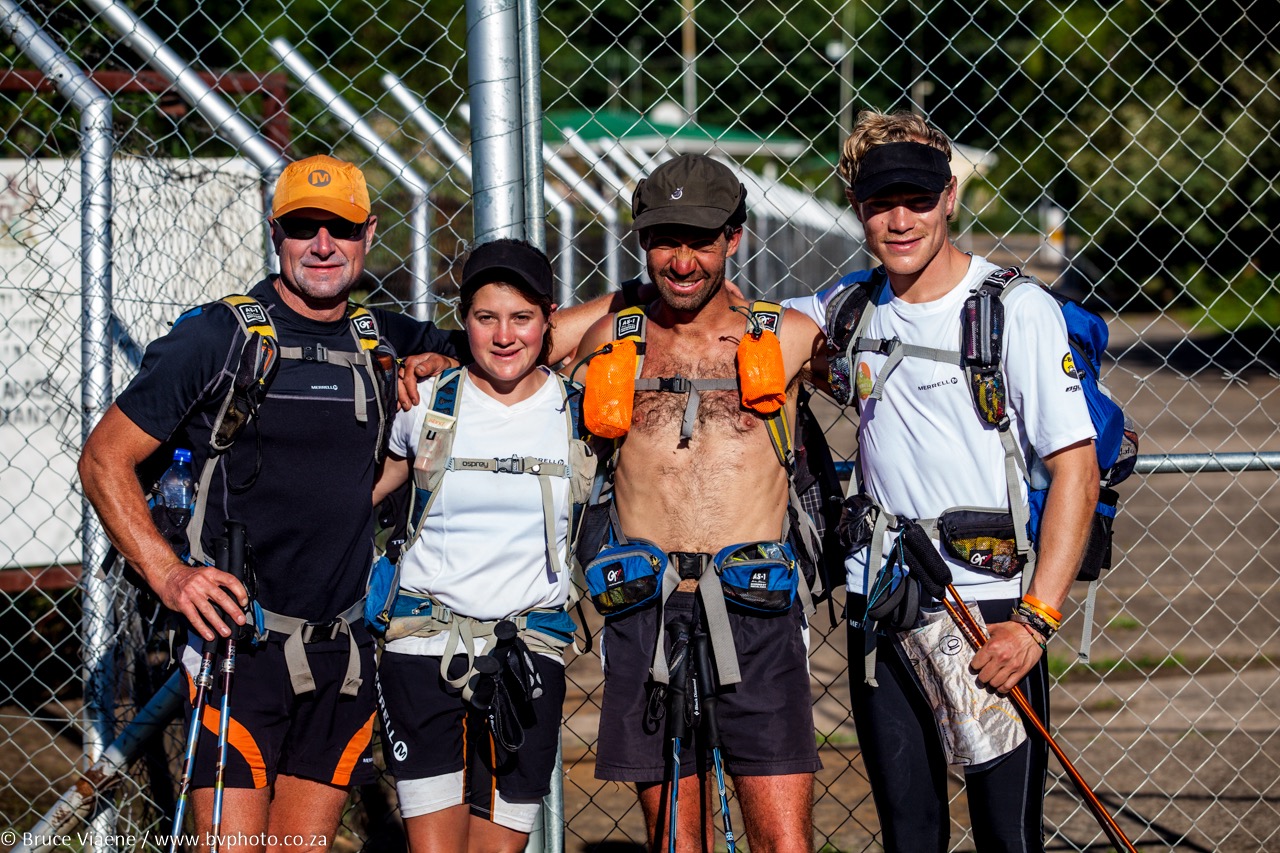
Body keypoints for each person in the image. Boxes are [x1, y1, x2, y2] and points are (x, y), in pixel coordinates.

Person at [78, 155, 463, 853]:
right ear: (275, 231)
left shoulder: (384, 340)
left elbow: (517, 342)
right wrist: (171, 575)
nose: (322, 244)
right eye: (303, 226)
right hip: (239, 648)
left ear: (369, 232)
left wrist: (639, 302)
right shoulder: (217, 337)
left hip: (343, 650)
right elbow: (105, 458)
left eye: (340, 227)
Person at [784, 109, 1099, 852]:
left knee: (1006, 836)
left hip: (988, 608)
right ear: (856, 205)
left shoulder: (1015, 309)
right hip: (881, 601)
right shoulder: (847, 308)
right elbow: (727, 322)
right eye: (879, 203)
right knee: (910, 832)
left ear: (950, 197)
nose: (900, 221)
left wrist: (1034, 623)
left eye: (918, 200)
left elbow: (1076, 471)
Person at [575, 154, 826, 853]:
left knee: (783, 844)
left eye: (701, 242)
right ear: (640, 242)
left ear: (734, 239)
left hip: (756, 607)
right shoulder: (612, 341)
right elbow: (507, 341)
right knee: (675, 844)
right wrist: (425, 358)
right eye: (664, 241)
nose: (682, 262)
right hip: (645, 607)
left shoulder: (788, 337)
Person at [371, 238, 591, 853]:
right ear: (462, 319)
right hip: (423, 644)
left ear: (549, 318)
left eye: (522, 317)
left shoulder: (578, 412)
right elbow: (358, 495)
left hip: (528, 653)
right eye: (485, 317)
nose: (504, 336)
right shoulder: (425, 403)